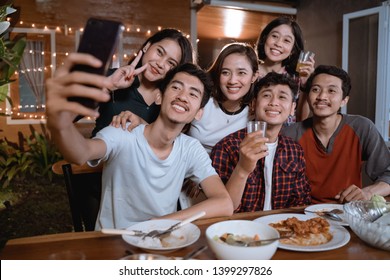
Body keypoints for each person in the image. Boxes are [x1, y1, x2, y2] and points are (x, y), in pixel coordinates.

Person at [46, 54, 233, 229]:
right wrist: (60, 122)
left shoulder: (190, 148)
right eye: (176, 87)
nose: (182, 96)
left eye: (193, 94)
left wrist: (163, 222)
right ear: (159, 97)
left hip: (161, 241)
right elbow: (81, 153)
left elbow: (224, 203)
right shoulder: (124, 132)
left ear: (198, 113)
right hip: (114, 244)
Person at [282, 65, 390, 204]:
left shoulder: (362, 127)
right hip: (301, 213)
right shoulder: (290, 134)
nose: (322, 96)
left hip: (347, 211)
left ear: (344, 100)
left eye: (331, 90)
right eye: (315, 90)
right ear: (308, 97)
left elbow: (387, 174)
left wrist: (367, 192)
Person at [211, 72, 311, 212]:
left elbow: (302, 202)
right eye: (266, 95)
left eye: (282, 97)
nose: (274, 102)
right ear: (253, 104)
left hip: (281, 227)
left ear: (292, 109)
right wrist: (242, 168)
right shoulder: (227, 147)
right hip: (240, 230)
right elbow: (220, 208)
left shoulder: (294, 150)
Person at [91, 28, 195, 137]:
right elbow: (73, 115)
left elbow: (170, 140)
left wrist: (143, 125)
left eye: (171, 63)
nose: (160, 64)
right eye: (159, 52)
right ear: (147, 46)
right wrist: (108, 86)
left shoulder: (172, 99)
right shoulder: (113, 77)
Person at [255, 16, 315, 122]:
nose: (278, 44)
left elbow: (301, 119)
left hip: (286, 136)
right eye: (274, 36)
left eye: (286, 40)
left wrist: (305, 86)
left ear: (292, 50)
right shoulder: (249, 73)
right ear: (265, 38)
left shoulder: (295, 78)